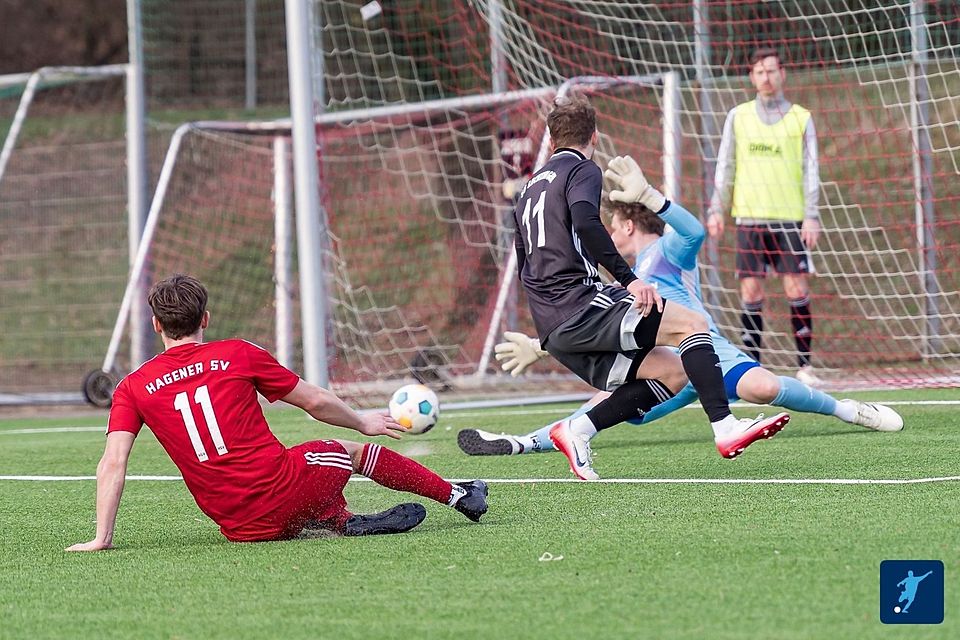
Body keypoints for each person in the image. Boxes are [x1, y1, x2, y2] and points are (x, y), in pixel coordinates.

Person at [459, 179, 903, 457]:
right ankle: (522, 443)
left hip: (705, 351)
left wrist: (652, 197)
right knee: (619, 407)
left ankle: (850, 410)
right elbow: (600, 324)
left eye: (613, 226)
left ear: (628, 226)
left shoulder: (663, 252)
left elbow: (693, 231)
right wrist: (541, 346)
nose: (609, 236)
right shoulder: (625, 277)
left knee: (764, 388)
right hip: (666, 364)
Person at [67, 275, 487, 551]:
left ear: (156, 325)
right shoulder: (238, 354)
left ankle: (337, 519)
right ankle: (458, 495)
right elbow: (314, 401)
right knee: (346, 451)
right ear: (205, 319)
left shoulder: (132, 386)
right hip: (283, 491)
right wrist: (363, 421)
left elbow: (113, 463)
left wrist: (102, 537)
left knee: (302, 472)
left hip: (238, 527)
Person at [509, 91, 787, 481]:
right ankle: (725, 427)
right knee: (692, 324)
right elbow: (587, 222)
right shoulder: (583, 169)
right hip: (580, 303)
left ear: (552, 141)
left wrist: (546, 325)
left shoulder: (527, 190)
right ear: (594, 137)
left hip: (553, 322)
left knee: (672, 372)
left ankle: (578, 429)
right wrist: (630, 280)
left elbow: (523, 260)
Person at [706, 47, 822, 386]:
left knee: (796, 287)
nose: (766, 77)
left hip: (790, 218)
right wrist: (716, 208)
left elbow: (811, 169)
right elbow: (725, 165)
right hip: (749, 218)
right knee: (751, 292)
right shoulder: (738, 116)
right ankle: (751, 368)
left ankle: (805, 367)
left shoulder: (801, 117)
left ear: (782, 74)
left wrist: (811, 215)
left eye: (771, 71)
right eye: (759, 72)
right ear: (752, 77)